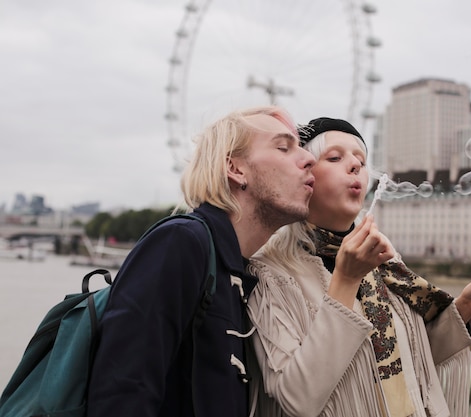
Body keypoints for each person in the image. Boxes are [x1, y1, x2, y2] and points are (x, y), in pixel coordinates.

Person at [246, 117, 471, 417]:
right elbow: (296, 399)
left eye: (361, 161)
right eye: (335, 157)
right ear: (304, 175)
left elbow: (404, 363)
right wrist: (346, 280)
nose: (354, 166)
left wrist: (464, 308)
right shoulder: (270, 273)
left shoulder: (384, 261)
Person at [87, 106, 316, 417]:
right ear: (235, 169)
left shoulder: (239, 271)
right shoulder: (182, 243)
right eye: (283, 147)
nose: (308, 159)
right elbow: (123, 390)